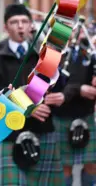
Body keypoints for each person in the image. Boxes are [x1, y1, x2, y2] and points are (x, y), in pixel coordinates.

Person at [0, 4, 66, 185]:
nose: (20, 26)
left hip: (44, 132)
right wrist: (28, 108)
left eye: (24, 21)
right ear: (5, 28)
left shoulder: (44, 57)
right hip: (11, 135)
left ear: (31, 26)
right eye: (14, 22)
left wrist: (60, 96)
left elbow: (60, 85)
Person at [52, 32, 96, 186]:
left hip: (86, 114)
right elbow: (53, 86)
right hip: (62, 115)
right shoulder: (51, 55)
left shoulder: (89, 53)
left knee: (93, 165)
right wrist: (79, 89)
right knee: (65, 167)